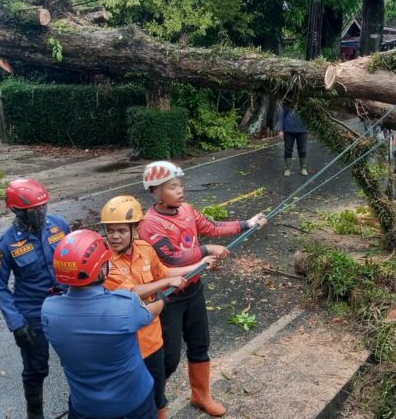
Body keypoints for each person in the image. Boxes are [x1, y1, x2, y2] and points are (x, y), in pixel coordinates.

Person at [138, 161, 268, 417]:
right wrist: (206, 252)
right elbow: (171, 258)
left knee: (200, 345)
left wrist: (247, 223)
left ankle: (201, 394)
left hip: (193, 291)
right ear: (155, 192)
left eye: (180, 185)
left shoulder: (186, 210)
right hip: (168, 298)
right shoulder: (150, 224)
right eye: (172, 187)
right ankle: (153, 404)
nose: (180, 190)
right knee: (169, 357)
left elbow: (212, 227)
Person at [99, 195, 217, 419]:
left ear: (135, 230)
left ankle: (191, 399)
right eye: (110, 231)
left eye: (121, 231)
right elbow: (131, 293)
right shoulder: (106, 262)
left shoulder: (144, 249)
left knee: (164, 374)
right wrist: (165, 283)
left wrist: (198, 264)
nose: (114, 237)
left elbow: (164, 272)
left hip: (152, 336)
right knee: (136, 395)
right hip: (128, 343)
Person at [42, 230, 161, 419]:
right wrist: (162, 298)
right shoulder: (124, 306)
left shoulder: (48, 309)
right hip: (133, 405)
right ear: (102, 268)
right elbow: (150, 312)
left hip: (85, 407)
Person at [0, 178, 70, 419]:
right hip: (32, 312)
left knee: (76, 359)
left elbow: (77, 258)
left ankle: (83, 407)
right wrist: (16, 323)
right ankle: (35, 413)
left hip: (66, 305)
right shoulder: (6, 244)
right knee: (36, 368)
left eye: (43, 207)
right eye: (34, 210)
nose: (41, 213)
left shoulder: (59, 226)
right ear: (16, 210)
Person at [278, 104, 308, 177]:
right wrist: (281, 130)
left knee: (302, 149)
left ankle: (303, 168)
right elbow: (282, 115)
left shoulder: (306, 101)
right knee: (288, 149)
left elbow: (309, 114)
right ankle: (287, 169)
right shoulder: (288, 101)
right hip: (288, 129)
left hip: (302, 129)